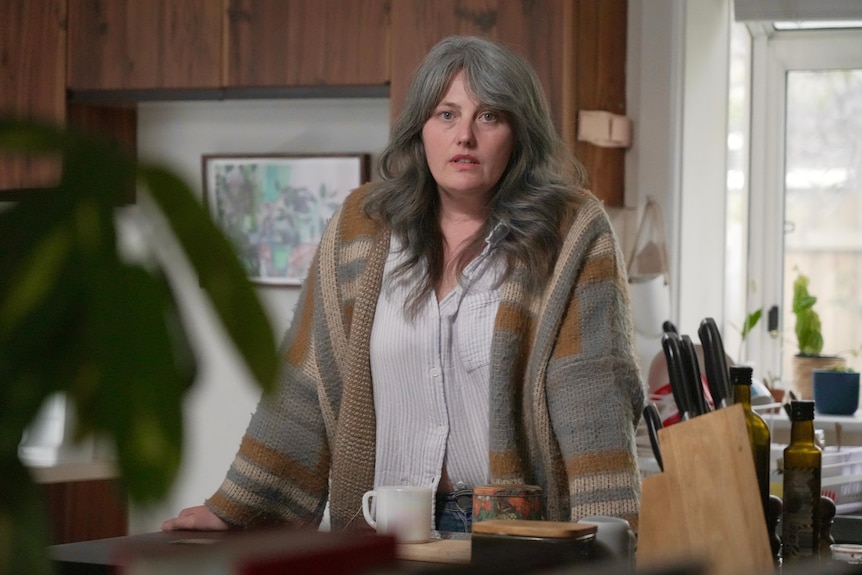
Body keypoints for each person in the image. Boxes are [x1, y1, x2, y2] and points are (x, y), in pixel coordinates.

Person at [162, 35, 644, 535]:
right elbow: (307, 384)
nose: (465, 137)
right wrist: (238, 508)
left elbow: (593, 388)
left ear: (519, 134)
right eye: (447, 115)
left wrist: (606, 536)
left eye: (489, 116)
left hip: (512, 535)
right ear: (420, 129)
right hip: (381, 526)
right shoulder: (359, 225)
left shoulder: (570, 232)